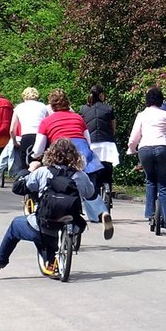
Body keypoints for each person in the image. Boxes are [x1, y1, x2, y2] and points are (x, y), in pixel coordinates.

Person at [0, 138, 94, 277]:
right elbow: (91, 194)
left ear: (50, 154)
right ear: (75, 156)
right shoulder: (81, 176)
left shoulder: (43, 172)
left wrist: (28, 170)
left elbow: (18, 187)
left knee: (17, 225)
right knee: (48, 229)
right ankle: (50, 260)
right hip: (70, 225)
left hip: (44, 226)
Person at [31, 88, 114, 240]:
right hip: (83, 153)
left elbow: (38, 148)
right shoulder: (78, 118)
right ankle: (102, 213)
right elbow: (88, 141)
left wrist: (36, 156)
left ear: (51, 105)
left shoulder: (46, 121)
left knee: (56, 184)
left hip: (61, 152)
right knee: (89, 189)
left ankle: (60, 217)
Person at [127, 87, 166, 234]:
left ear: (147, 100)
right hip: (162, 148)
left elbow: (133, 139)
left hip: (145, 149)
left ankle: (150, 214)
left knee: (150, 180)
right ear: (161, 100)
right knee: (164, 184)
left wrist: (132, 150)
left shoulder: (141, 115)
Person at [80, 85, 118, 201]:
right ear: (101, 94)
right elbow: (113, 128)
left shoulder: (83, 109)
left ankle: (94, 200)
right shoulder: (108, 108)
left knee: (92, 173)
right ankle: (108, 195)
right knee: (107, 171)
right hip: (107, 144)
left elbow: (81, 127)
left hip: (91, 144)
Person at [9, 87, 51, 174]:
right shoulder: (43, 107)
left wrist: (15, 142)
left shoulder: (19, 107)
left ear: (24, 96)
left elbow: (12, 130)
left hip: (26, 137)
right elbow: (48, 124)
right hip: (41, 136)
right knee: (42, 162)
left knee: (25, 164)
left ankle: (25, 180)